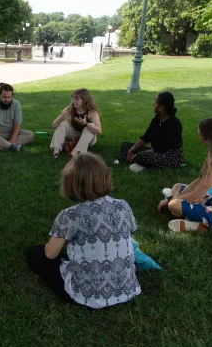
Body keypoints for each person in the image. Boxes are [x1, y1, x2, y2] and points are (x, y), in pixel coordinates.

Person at [26, 153, 141, 308]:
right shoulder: (123, 205)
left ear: (70, 184)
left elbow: (50, 253)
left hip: (87, 297)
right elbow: (129, 232)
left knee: (35, 253)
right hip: (128, 289)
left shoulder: (69, 216)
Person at [119, 92, 183, 172]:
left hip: (168, 156)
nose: (153, 104)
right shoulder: (156, 119)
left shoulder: (174, 124)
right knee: (126, 145)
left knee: (141, 156)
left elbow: (161, 148)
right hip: (156, 152)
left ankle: (146, 167)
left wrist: (138, 155)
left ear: (161, 107)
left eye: (155, 103)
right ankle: (138, 163)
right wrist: (131, 150)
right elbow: (146, 137)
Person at [0, 82, 34, 152]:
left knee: (30, 134)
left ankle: (1, 146)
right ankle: (12, 146)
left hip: (11, 133)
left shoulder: (16, 105)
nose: (7, 100)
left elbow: (17, 124)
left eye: (9, 97)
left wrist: (13, 138)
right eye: (4, 97)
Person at [50, 88, 102, 158]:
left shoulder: (92, 112)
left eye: (77, 99)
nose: (74, 101)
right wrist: (60, 118)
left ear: (84, 99)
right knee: (62, 123)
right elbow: (53, 126)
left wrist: (86, 124)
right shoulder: (70, 108)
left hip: (88, 138)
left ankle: (75, 152)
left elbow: (99, 131)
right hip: (74, 133)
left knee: (89, 127)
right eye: (73, 99)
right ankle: (56, 150)